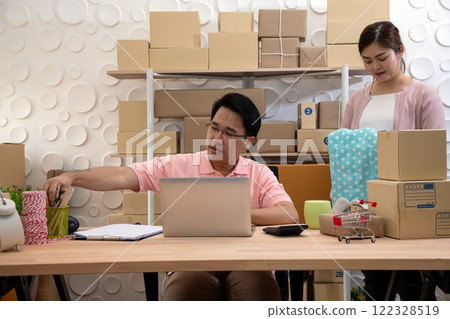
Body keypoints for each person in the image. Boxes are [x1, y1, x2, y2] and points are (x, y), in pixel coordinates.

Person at [44, 92, 299, 301]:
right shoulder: (178, 165)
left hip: (248, 264)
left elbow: (288, 214)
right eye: (214, 127)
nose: (216, 139)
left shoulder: (259, 173)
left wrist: (234, 215)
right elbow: (123, 175)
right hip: (190, 263)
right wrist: (72, 177)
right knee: (183, 296)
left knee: (259, 295)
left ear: (248, 142)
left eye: (229, 133)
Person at [341, 21, 445, 301]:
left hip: (409, 206)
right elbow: (345, 154)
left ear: (400, 51)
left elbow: (432, 155)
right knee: (375, 284)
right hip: (366, 206)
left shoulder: (423, 94)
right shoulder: (356, 100)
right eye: (367, 60)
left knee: (414, 288)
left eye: (382, 57)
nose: (375, 66)